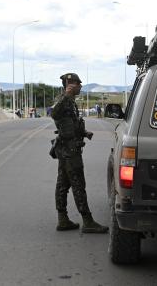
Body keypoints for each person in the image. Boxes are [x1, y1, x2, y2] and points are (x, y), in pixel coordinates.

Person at [51, 73, 108, 233]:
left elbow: (70, 123)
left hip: (68, 148)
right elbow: (54, 114)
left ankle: (63, 220)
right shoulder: (63, 100)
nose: (81, 87)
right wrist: (66, 95)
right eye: (78, 84)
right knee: (78, 185)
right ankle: (88, 221)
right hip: (69, 150)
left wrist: (84, 132)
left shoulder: (70, 102)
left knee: (63, 184)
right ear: (70, 84)